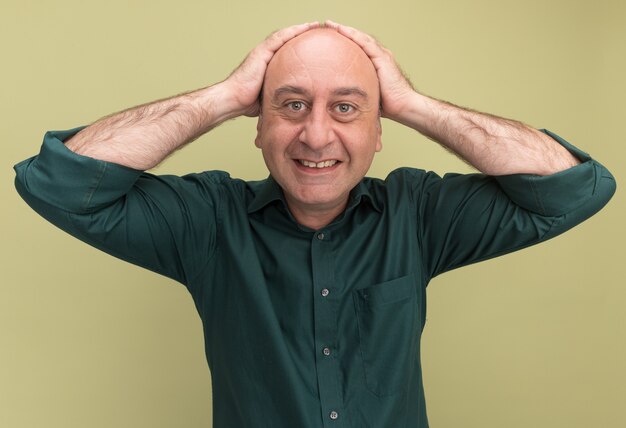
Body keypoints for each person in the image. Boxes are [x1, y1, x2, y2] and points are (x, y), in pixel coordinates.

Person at [14, 20, 615, 428]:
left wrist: (411, 102)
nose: (317, 134)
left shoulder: (418, 214)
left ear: (380, 132)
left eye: (348, 108)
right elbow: (56, 182)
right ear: (258, 123)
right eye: (292, 104)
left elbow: (572, 189)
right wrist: (223, 95)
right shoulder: (208, 222)